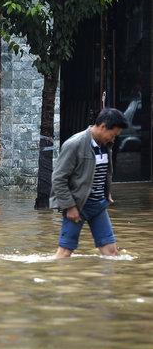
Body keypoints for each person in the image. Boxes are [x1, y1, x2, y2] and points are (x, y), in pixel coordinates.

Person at [52, 108, 128, 258]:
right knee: (65, 253)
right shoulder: (74, 144)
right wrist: (70, 207)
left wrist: (107, 192)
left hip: (99, 205)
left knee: (112, 253)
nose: (113, 140)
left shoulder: (106, 146)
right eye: (112, 135)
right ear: (103, 127)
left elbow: (100, 172)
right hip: (78, 205)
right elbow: (58, 179)